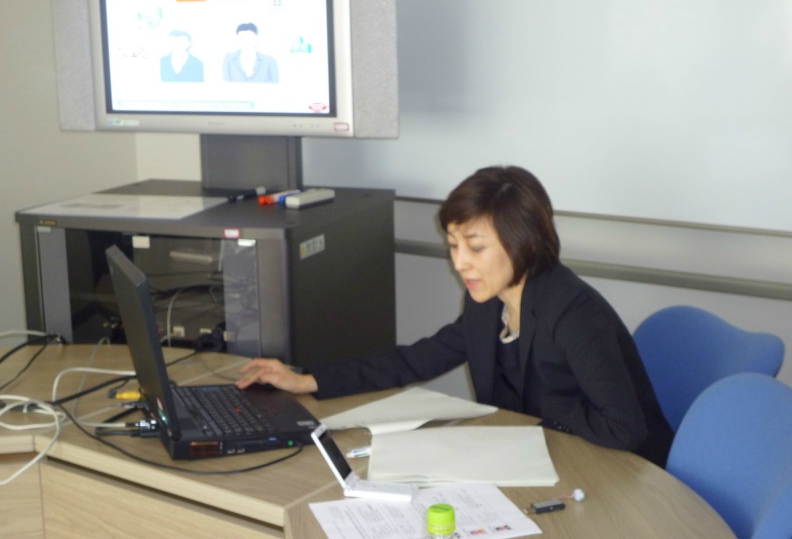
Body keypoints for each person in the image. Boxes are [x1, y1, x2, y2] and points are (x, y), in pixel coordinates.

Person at [237, 166, 675, 467]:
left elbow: (624, 429)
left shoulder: (573, 314)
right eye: (453, 245)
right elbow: (414, 360)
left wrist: (550, 409)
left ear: (524, 243)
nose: (460, 263)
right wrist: (307, 380)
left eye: (476, 247)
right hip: (548, 461)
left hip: (623, 476)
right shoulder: (487, 303)